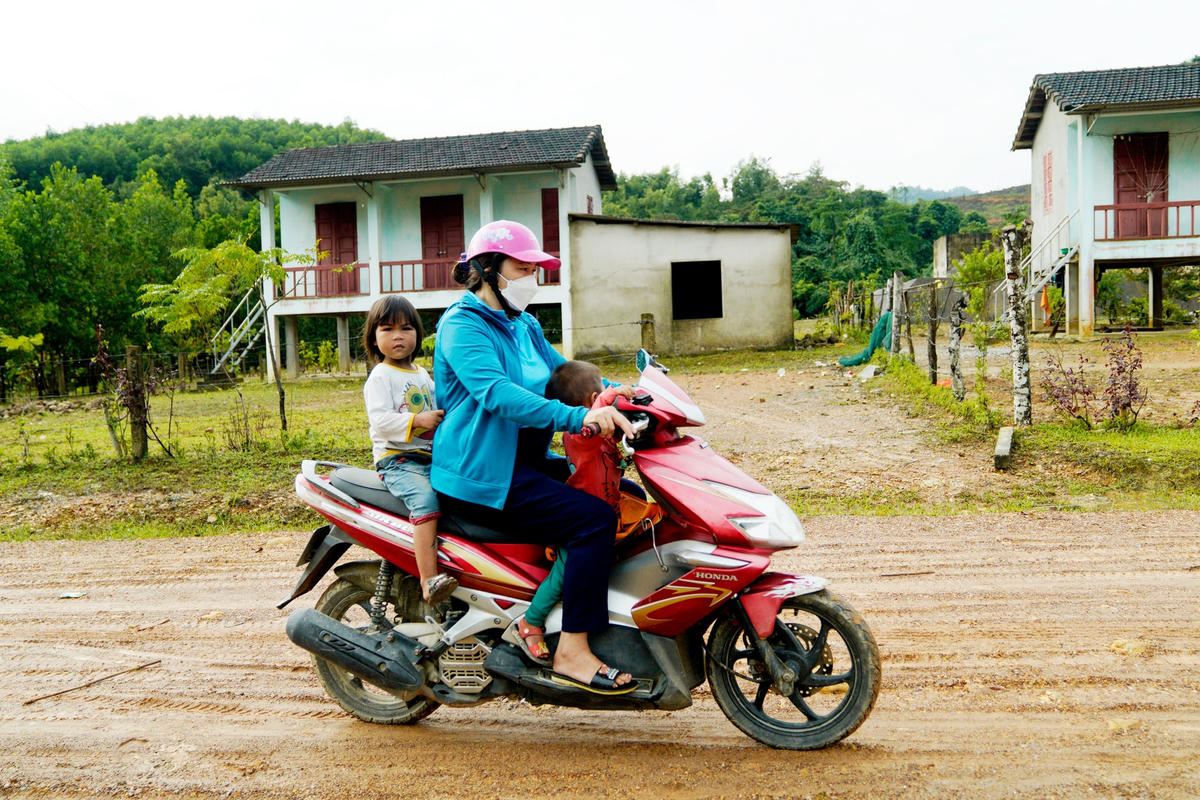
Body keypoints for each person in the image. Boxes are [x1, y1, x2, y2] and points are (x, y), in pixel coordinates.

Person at [431, 219, 637, 695]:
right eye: (523, 269)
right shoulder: (461, 326)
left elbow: (561, 373)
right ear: (487, 270)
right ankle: (573, 651)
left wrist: (614, 392)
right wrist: (576, 417)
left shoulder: (522, 324)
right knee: (593, 519)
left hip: (521, 462)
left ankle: (570, 612)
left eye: (534, 270)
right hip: (481, 473)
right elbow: (497, 394)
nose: (532, 279)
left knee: (623, 496)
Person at [515, 360, 634, 665]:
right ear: (591, 403)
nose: (606, 394)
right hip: (583, 510)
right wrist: (615, 392)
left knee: (637, 496)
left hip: (604, 497)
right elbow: (604, 401)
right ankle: (532, 621)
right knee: (562, 572)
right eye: (601, 392)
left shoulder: (598, 425)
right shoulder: (581, 432)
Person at [361, 295, 456, 604]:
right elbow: (380, 421)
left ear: (418, 333)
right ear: (374, 339)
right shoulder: (380, 376)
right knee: (426, 500)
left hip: (428, 459)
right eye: (387, 329)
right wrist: (417, 420)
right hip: (397, 460)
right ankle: (429, 580)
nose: (398, 336)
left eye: (405, 328)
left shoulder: (422, 374)